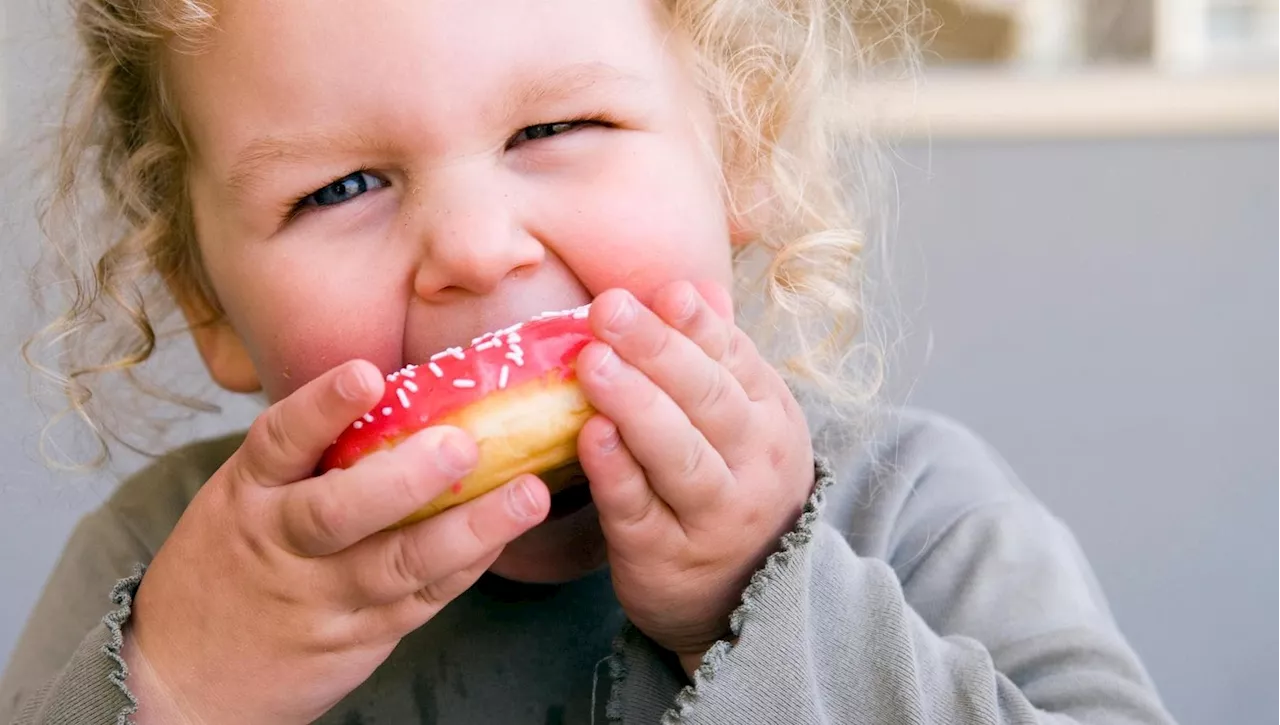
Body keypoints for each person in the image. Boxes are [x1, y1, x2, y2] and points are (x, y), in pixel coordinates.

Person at [1, 1, 1177, 723]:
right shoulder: (162, 571)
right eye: (339, 188)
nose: (469, 248)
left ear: (741, 151)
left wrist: (755, 594)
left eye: (551, 130)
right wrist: (183, 695)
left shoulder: (912, 511)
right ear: (207, 299)